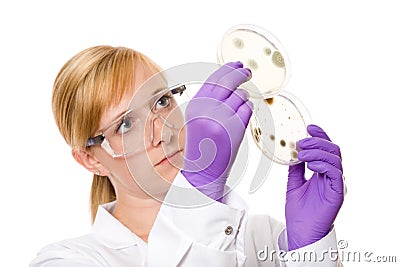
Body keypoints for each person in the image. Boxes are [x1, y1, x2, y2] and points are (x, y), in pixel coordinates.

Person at [30, 45, 345, 266]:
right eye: (126, 124)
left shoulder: (260, 238)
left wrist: (311, 251)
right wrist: (200, 187)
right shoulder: (67, 260)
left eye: (162, 101)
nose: (162, 131)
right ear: (91, 159)